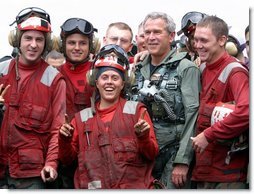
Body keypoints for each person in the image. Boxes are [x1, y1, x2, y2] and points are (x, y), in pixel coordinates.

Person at [58, 44, 159, 189]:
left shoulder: (137, 111)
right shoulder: (80, 119)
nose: (109, 82)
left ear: (123, 83)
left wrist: (143, 137)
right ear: (96, 82)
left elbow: (151, 154)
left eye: (115, 78)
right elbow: (67, 160)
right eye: (104, 77)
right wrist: (65, 140)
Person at [131, 12, 201, 189]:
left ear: (171, 36)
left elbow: (193, 116)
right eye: (147, 33)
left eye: (157, 32)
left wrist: (183, 161)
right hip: (141, 155)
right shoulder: (137, 69)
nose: (151, 37)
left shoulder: (186, 68)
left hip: (172, 156)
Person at [0, 7, 66, 189]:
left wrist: (51, 163)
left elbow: (57, 129)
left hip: (30, 175)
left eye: (39, 39)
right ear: (17, 40)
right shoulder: (2, 71)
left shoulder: (54, 79)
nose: (33, 44)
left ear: (46, 43)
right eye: (28, 38)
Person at [191, 15, 249, 189]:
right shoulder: (201, 68)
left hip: (227, 174)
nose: (198, 45)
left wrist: (209, 135)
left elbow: (247, 110)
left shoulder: (235, 72)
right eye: (195, 40)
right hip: (203, 169)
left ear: (222, 40)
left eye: (204, 40)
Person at [56, 17, 97, 188]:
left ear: (91, 46)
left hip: (92, 151)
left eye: (83, 43)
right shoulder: (53, 74)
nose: (77, 48)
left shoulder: (100, 73)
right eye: (72, 43)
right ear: (62, 45)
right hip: (61, 152)